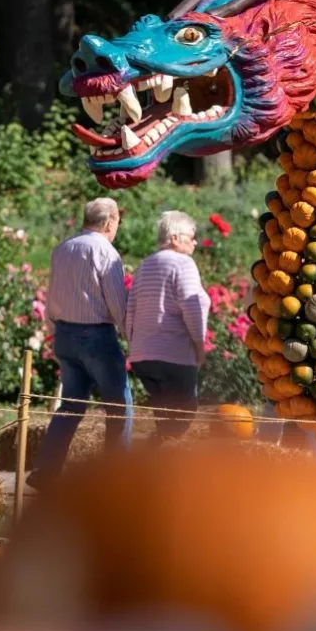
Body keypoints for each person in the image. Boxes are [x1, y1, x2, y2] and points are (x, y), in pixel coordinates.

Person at [31, 198, 133, 489]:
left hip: (64, 334)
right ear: (110, 222)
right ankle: (118, 472)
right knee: (118, 404)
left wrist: (54, 330)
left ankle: (47, 469)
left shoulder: (63, 248)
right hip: (96, 335)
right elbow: (117, 302)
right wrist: (129, 336)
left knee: (70, 405)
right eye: (118, 223)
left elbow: (52, 294)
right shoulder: (105, 251)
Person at [126, 211, 211, 442]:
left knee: (164, 416)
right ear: (175, 237)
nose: (194, 242)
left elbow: (130, 310)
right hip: (173, 354)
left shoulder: (145, 265)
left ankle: (154, 466)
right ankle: (159, 460)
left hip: (143, 356)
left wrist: (133, 345)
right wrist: (198, 345)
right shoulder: (183, 263)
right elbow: (191, 306)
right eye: (191, 236)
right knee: (184, 411)